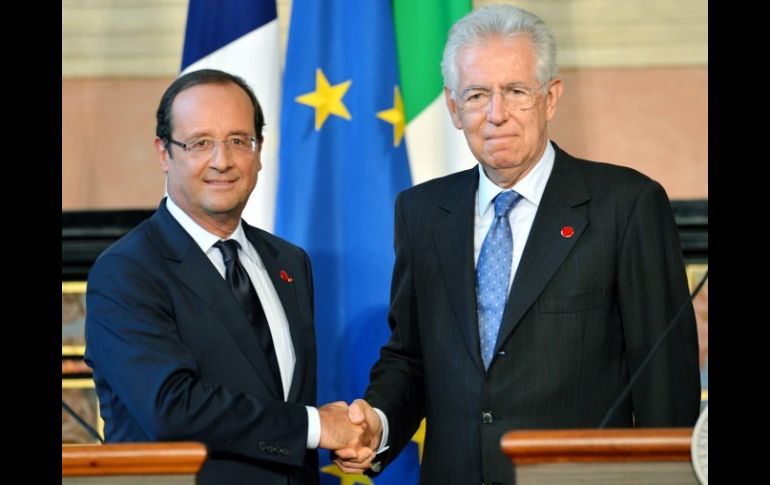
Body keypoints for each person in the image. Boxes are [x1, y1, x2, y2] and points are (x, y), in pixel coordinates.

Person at [334, 5, 701, 484]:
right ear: (452, 107)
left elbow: (664, 379)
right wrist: (375, 427)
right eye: (477, 94)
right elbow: (412, 357)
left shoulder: (626, 205)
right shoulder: (422, 212)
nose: (496, 115)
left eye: (515, 91)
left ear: (550, 98)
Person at [84, 69, 373, 484]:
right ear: (164, 153)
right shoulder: (127, 271)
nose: (222, 161)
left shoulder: (288, 262)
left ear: (258, 152)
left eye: (239, 141)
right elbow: (172, 407)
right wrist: (315, 427)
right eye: (200, 143)